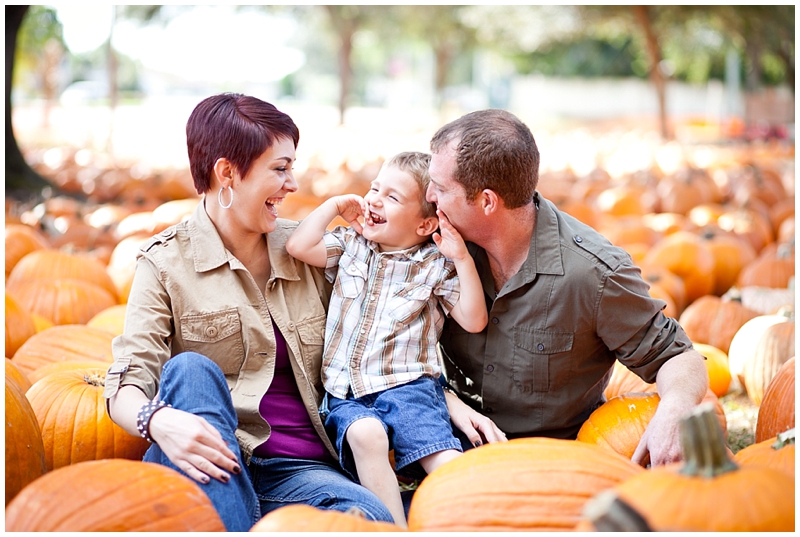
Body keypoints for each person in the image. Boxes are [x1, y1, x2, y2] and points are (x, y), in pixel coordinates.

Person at [102, 93, 395, 531]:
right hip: (212, 457)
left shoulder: (311, 252)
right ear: (227, 174)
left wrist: (445, 397)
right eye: (279, 169)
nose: (292, 184)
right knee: (190, 371)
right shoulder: (164, 264)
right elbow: (127, 381)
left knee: (368, 516)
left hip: (298, 474)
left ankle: (230, 521)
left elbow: (386, 329)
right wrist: (158, 421)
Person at [425, 109, 709, 467]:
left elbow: (678, 357)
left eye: (440, 187)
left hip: (551, 465)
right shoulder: (436, 246)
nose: (429, 195)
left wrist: (674, 413)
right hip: (445, 444)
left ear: (486, 201)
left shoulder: (594, 274)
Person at [285, 151, 490, 527]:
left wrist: (461, 258)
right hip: (347, 392)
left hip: (410, 389)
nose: (375, 199)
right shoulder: (351, 246)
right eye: (375, 188)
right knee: (366, 435)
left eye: (392, 197)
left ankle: (483, 515)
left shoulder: (434, 265)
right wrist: (333, 205)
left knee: (444, 460)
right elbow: (298, 246)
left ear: (425, 225)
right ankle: (393, 528)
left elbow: (474, 320)